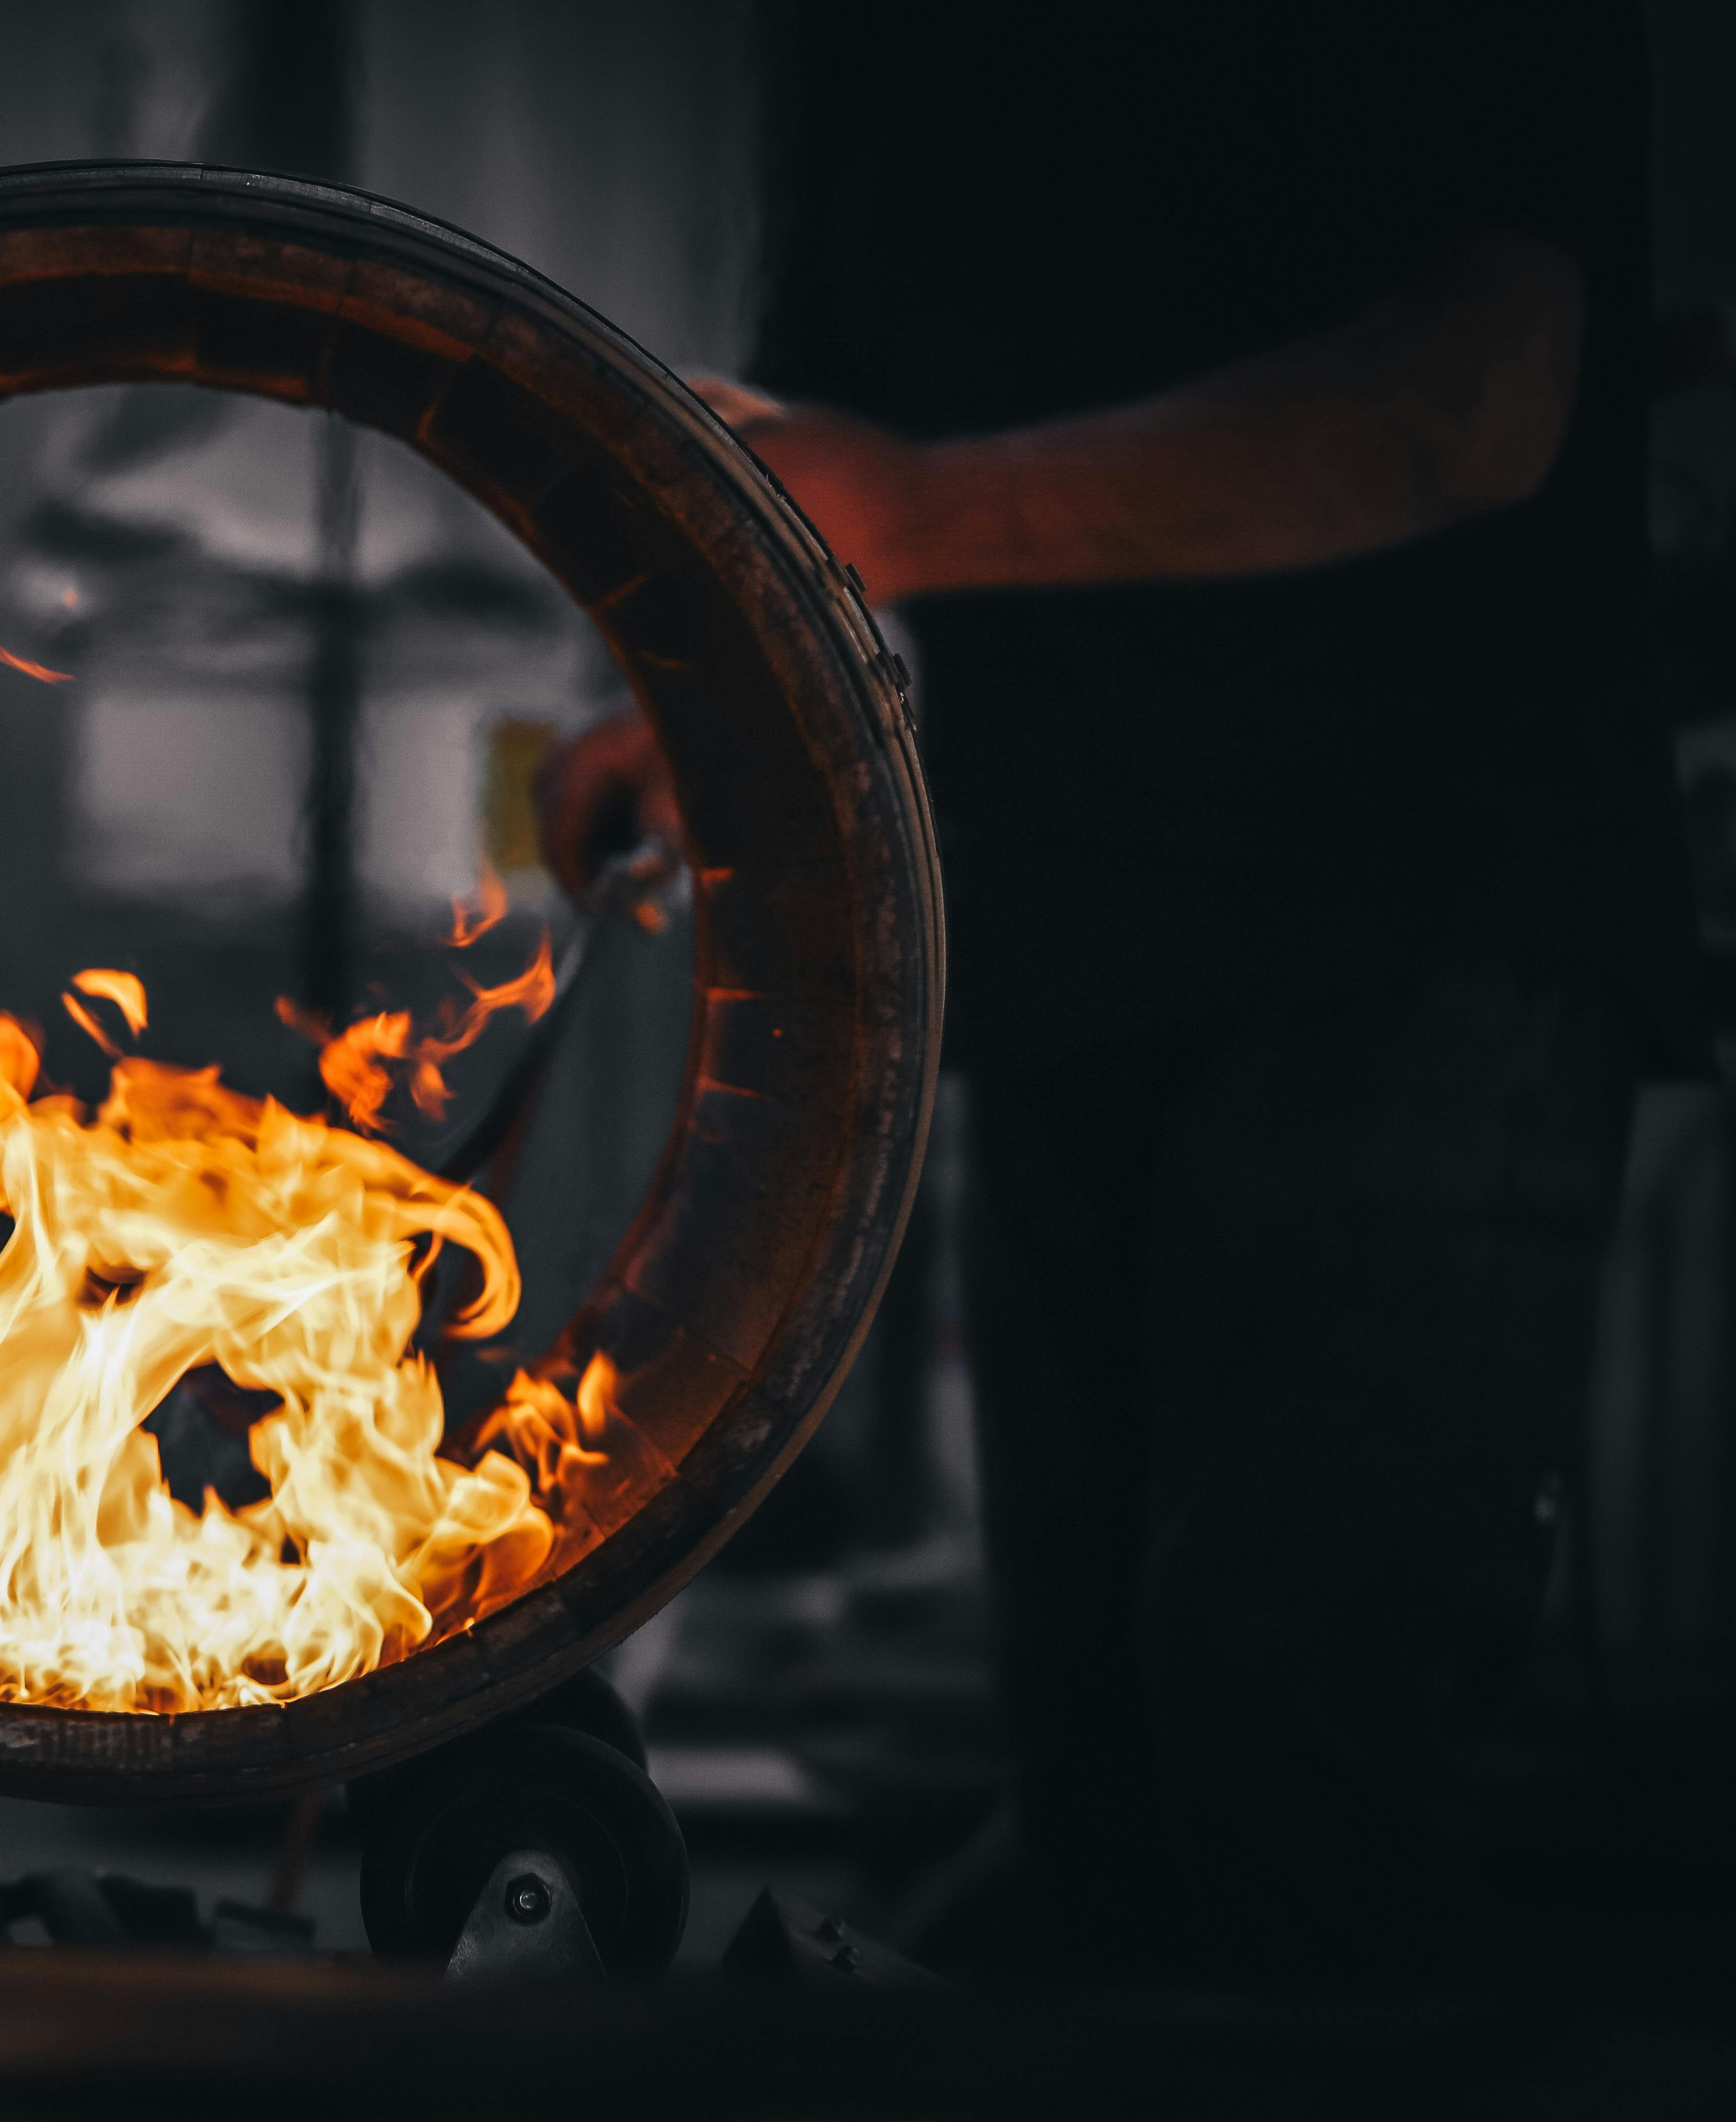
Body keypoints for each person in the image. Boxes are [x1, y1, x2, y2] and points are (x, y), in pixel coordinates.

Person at [538, 3, 1700, 1986]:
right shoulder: (874, 59)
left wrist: (915, 507)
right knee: (1099, 1754)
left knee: (1286, 1727)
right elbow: (838, 470)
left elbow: (1478, 402)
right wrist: (710, 698)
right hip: (1074, 947)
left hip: (1412, 925)